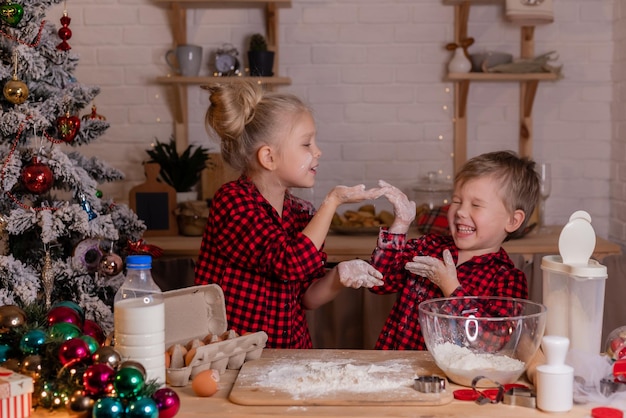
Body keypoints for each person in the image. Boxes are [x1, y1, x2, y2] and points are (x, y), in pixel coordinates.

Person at [194, 81, 386, 349]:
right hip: (235, 356)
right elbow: (289, 262)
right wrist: (333, 201)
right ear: (269, 158)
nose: (318, 151)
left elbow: (308, 297)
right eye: (306, 144)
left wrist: (339, 276)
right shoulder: (233, 202)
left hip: (289, 352)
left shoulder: (300, 212)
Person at [370, 150, 540, 350]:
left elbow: (492, 340)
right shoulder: (429, 247)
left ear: (512, 221)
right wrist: (400, 225)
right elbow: (379, 282)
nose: (460, 211)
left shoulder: (508, 279)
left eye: (476, 205)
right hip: (396, 367)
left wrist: (450, 287)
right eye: (457, 201)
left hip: (453, 380)